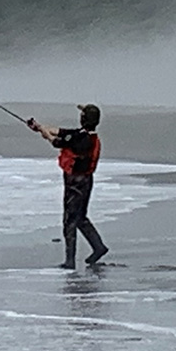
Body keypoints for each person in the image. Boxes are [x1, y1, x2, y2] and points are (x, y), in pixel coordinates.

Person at [27, 104, 108, 268]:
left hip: (75, 182)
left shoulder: (82, 140)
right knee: (80, 217)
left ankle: (70, 261)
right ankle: (98, 247)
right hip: (86, 180)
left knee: (70, 220)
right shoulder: (84, 135)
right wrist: (40, 127)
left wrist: (43, 132)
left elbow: (56, 142)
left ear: (83, 119)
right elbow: (59, 132)